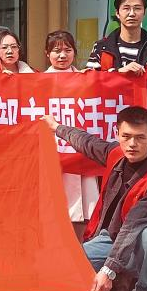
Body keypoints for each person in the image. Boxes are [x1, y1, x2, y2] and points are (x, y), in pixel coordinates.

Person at [41, 107, 147, 291]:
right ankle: (122, 281)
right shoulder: (115, 153)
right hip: (110, 238)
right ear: (117, 134)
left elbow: (132, 228)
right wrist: (57, 128)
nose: (132, 144)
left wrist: (107, 270)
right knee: (66, 266)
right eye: (126, 136)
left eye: (140, 138)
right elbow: (86, 142)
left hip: (141, 245)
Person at [86, 0, 147, 139]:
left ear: (144, 13)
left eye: (137, 8)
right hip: (105, 131)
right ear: (117, 13)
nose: (132, 13)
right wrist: (117, 73)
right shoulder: (101, 48)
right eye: (126, 8)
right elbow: (89, 85)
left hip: (143, 135)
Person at [43, 29, 99, 230]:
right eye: (56, 51)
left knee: (85, 210)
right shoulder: (37, 81)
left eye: (67, 50)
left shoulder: (86, 79)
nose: (62, 55)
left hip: (79, 148)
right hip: (53, 149)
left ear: (75, 52)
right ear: (47, 54)